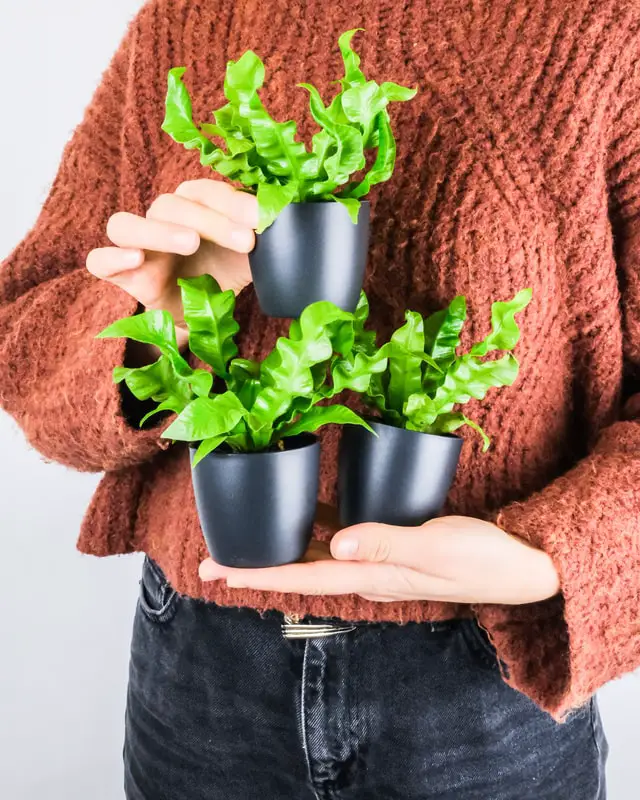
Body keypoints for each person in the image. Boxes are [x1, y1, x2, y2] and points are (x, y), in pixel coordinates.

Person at [3, 0, 639, 796]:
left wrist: (553, 560)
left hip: (483, 680)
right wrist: (155, 320)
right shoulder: (188, 20)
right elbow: (24, 348)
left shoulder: (605, 33)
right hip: (202, 673)